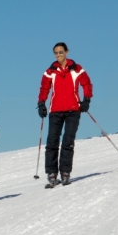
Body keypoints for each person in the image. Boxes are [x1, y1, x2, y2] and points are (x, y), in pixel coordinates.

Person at [37, 42, 93, 187]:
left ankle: (65, 172)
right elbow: (44, 88)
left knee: (68, 141)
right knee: (52, 142)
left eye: (61, 52)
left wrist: (86, 99)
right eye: (56, 53)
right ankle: (52, 173)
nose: (58, 55)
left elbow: (87, 83)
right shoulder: (50, 71)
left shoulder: (77, 69)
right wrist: (41, 103)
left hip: (73, 111)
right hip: (55, 111)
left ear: (66, 52)